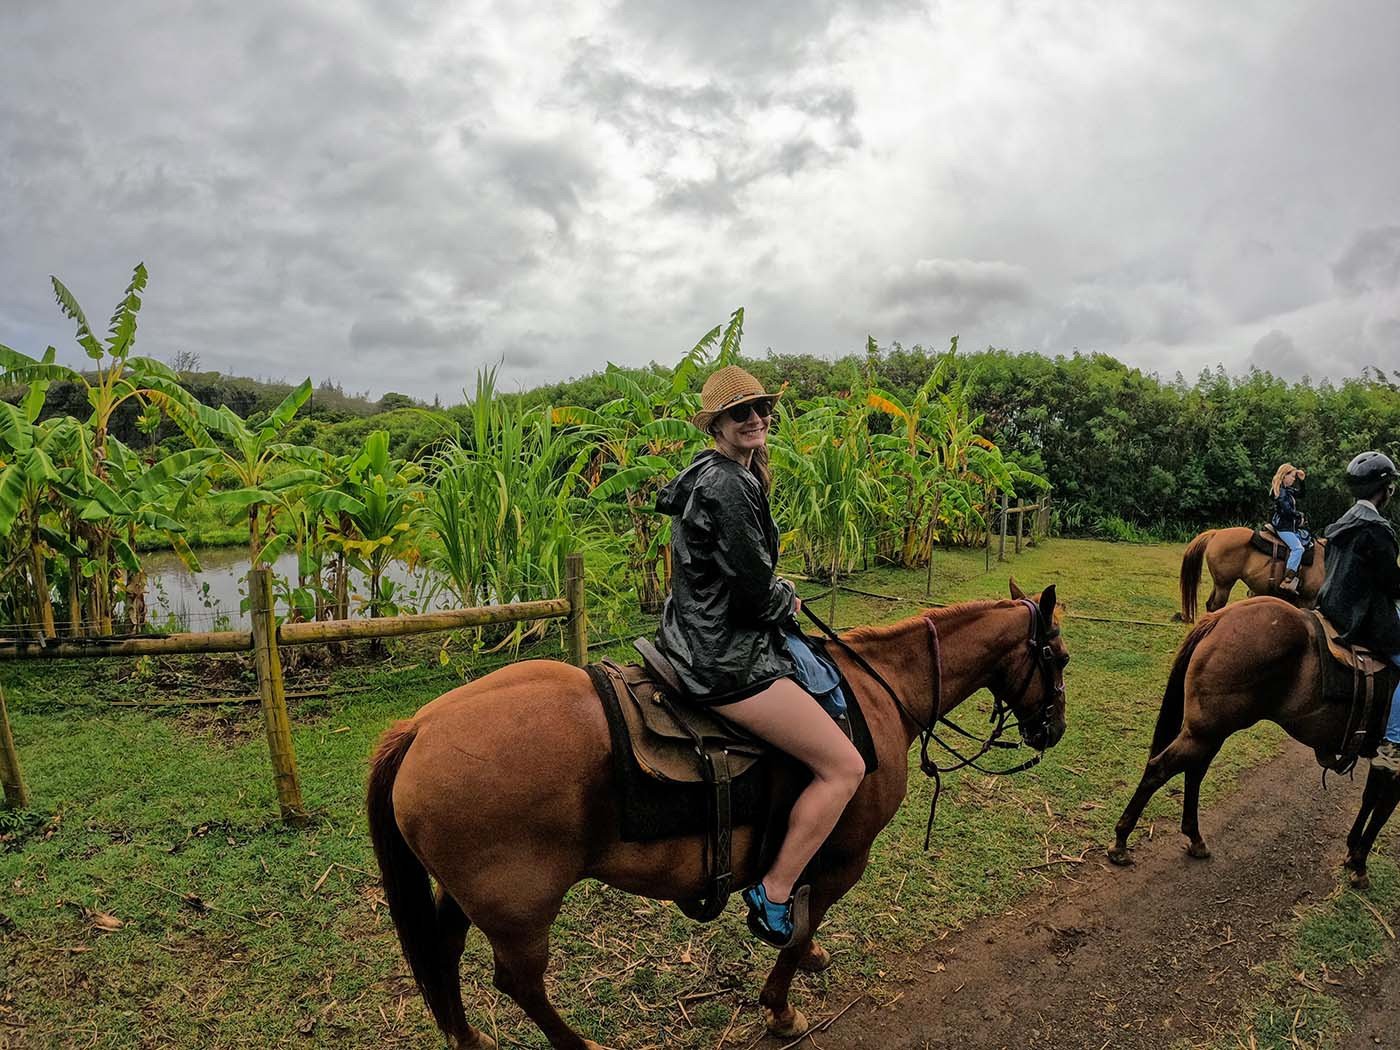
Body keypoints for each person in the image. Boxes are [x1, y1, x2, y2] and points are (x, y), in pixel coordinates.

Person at [655, 365, 865, 946]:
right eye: (738, 412)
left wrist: (773, 594)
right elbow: (752, 590)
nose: (754, 419)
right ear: (716, 425)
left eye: (760, 408)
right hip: (724, 654)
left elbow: (739, 575)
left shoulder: (713, 473)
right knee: (844, 766)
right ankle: (773, 892)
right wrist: (784, 600)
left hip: (694, 632)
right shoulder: (727, 483)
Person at [1315, 451, 1400, 772]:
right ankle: (1393, 744)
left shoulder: (1342, 523)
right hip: (1361, 617)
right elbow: (1392, 586)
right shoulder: (1378, 529)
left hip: (1330, 608)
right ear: (1384, 489)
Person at [1270, 463, 1308, 593]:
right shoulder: (1281, 492)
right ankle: (1287, 580)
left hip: (1289, 526)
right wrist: (1299, 515)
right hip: (1283, 527)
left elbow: (1301, 494)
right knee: (1298, 548)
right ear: (1284, 476)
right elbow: (1286, 510)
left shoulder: (1287, 490)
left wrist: (1302, 481)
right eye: (1292, 477)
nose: (1293, 479)